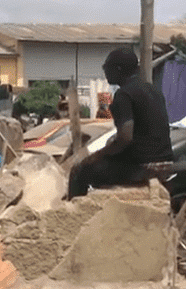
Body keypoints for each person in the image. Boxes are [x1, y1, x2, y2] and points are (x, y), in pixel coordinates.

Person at [68, 47, 173, 199]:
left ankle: (72, 214)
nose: (105, 72)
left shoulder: (124, 94)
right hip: (166, 164)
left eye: (106, 67)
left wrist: (98, 155)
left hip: (141, 166)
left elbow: (125, 137)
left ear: (117, 69)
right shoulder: (153, 90)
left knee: (79, 171)